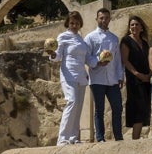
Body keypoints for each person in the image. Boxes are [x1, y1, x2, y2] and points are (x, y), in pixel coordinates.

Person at [48, 11, 97, 145]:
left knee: (78, 106)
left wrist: (99, 61)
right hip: (68, 74)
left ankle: (73, 138)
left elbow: (88, 58)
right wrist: (52, 54)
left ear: (80, 24)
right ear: (68, 24)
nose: (74, 25)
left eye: (77, 23)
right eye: (72, 23)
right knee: (72, 102)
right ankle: (62, 138)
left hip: (81, 76)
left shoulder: (81, 40)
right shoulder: (63, 37)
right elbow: (57, 56)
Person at [84, 8, 124, 142]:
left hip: (112, 79)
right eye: (101, 18)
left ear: (109, 19)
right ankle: (100, 138)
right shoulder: (90, 37)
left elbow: (118, 59)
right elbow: (87, 57)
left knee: (117, 107)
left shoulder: (114, 38)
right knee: (99, 110)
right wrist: (97, 62)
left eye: (106, 18)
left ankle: (118, 136)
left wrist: (120, 76)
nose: (104, 20)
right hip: (97, 79)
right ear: (97, 19)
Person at [120, 15, 152, 139]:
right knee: (137, 109)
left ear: (141, 28)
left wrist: (148, 74)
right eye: (132, 25)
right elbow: (125, 61)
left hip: (145, 80)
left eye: (137, 24)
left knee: (144, 108)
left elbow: (148, 60)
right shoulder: (126, 41)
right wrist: (137, 74)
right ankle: (135, 139)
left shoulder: (144, 43)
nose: (134, 27)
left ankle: (137, 138)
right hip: (134, 80)